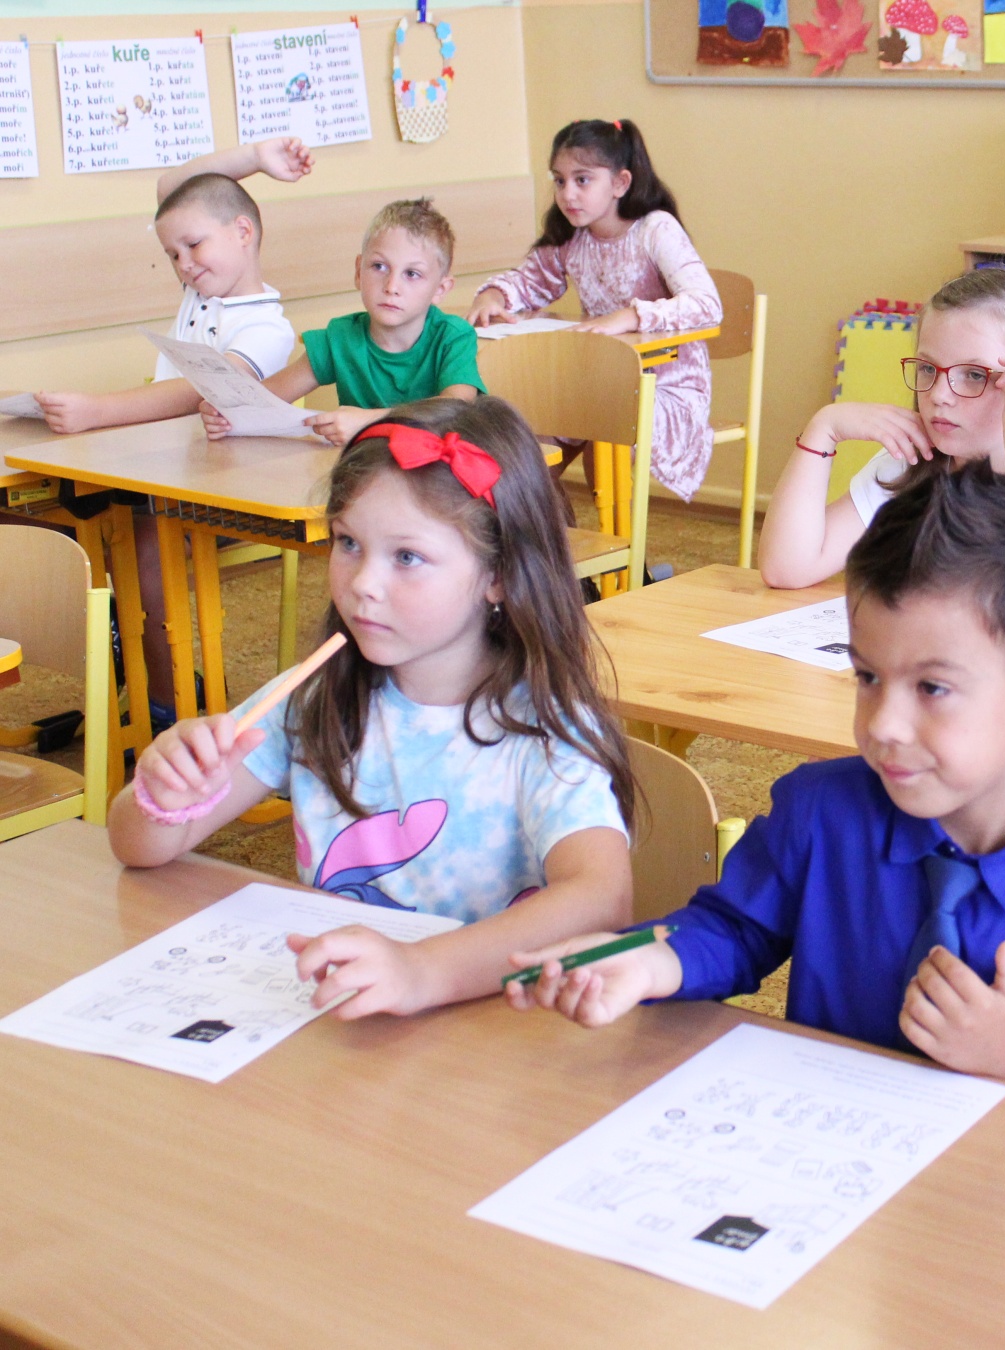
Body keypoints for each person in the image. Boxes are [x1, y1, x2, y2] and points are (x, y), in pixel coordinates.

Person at [509, 462, 1005, 1125]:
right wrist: (652, 960)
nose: (883, 725)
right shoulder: (820, 815)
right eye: (867, 677)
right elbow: (735, 930)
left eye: (932, 688)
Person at [110, 396, 636, 1019]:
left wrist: (421, 971)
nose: (362, 583)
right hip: (345, 1018)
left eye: (407, 557)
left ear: (498, 575)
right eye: (349, 543)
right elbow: (138, 847)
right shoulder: (315, 696)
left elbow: (603, 900)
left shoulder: (544, 729)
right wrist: (162, 796)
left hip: (490, 1029)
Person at [760, 266, 1005, 626]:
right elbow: (787, 568)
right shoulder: (916, 459)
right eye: (928, 368)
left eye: (974, 375)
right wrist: (823, 429)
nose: (939, 395)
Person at [469, 118, 721, 500]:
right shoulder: (573, 235)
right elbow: (531, 281)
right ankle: (555, 535)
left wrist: (630, 317)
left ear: (620, 183)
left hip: (665, 389)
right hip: (594, 380)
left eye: (582, 180)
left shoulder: (655, 229)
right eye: (559, 181)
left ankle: (617, 539)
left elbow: (707, 304)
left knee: (603, 441)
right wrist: (494, 296)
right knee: (525, 449)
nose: (568, 194)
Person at [35, 137, 312, 434]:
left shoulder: (267, 328)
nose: (184, 265)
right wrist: (254, 157)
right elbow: (170, 188)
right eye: (174, 255)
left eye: (193, 244)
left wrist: (97, 411)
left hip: (226, 460)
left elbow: (202, 390)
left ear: (243, 232)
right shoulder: (200, 292)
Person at [205, 198, 484, 446]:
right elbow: (262, 400)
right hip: (366, 470)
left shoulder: (454, 336)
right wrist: (226, 412)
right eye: (379, 267)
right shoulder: (339, 337)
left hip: (440, 476)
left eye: (412, 274)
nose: (391, 286)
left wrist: (370, 422)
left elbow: (456, 408)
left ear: (440, 289)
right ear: (358, 271)